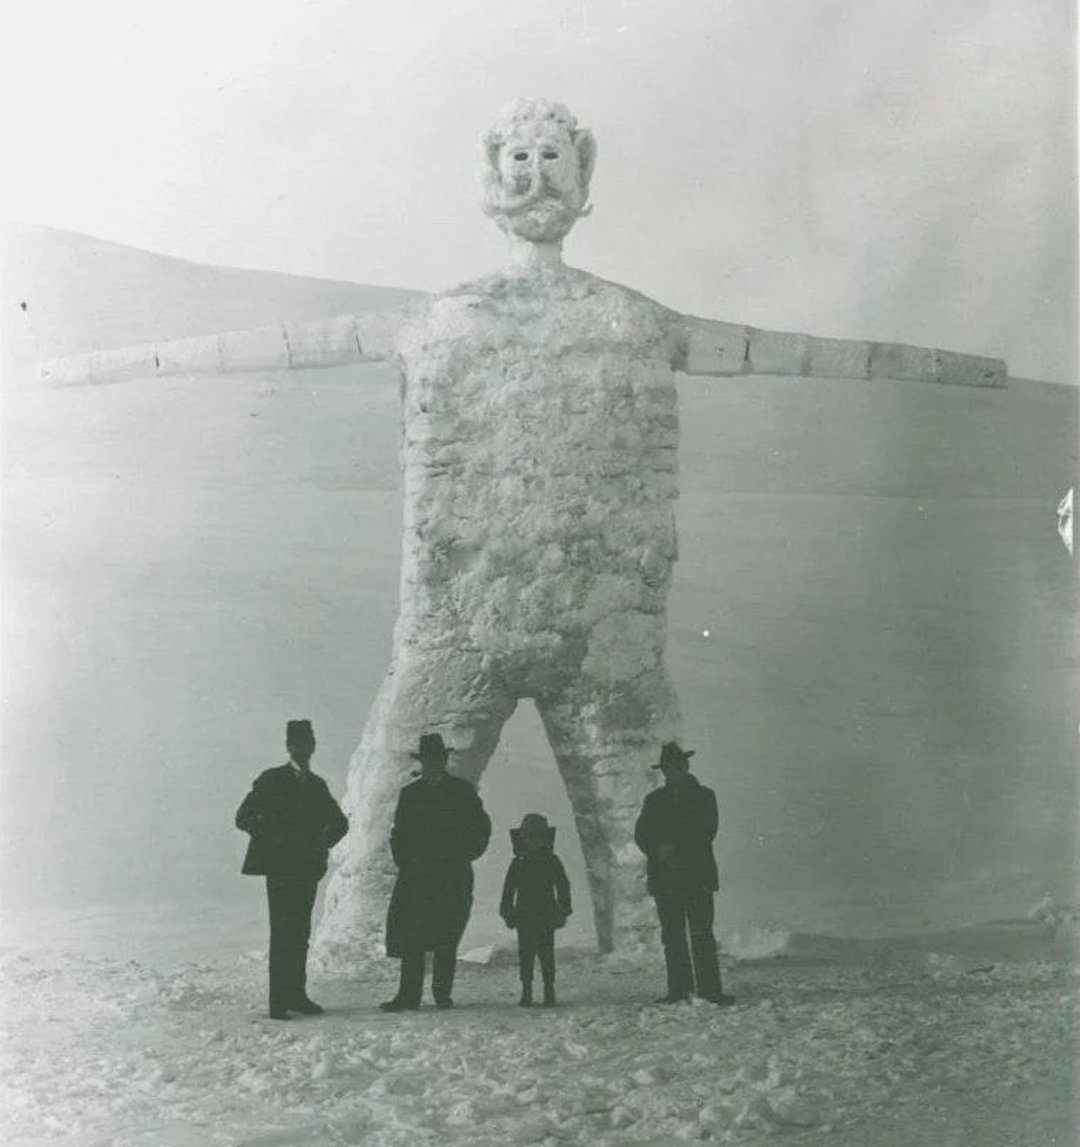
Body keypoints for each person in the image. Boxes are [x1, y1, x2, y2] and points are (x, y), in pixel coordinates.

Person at [235, 719, 349, 1020]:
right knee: (282, 932)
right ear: (289, 747)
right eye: (297, 745)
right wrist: (274, 838)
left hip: (306, 869)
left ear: (312, 748)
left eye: (307, 744)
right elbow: (244, 817)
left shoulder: (316, 785)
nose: (302, 750)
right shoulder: (271, 780)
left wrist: (321, 844)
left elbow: (340, 822)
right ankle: (278, 1002)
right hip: (281, 869)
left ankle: (297, 996)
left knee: (300, 933)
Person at [380, 733, 492, 1011]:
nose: (433, 764)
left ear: (444, 760)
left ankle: (442, 994)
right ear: (423, 761)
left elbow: (481, 828)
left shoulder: (463, 792)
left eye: (437, 759)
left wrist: (464, 855)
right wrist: (406, 862)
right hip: (417, 876)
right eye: (428, 759)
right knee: (412, 937)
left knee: (446, 933)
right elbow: (399, 834)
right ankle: (409, 996)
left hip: (451, 875)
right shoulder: (410, 793)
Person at [633, 741, 732, 1005]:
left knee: (701, 934)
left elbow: (706, 830)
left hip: (695, 876)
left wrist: (674, 849)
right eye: (668, 768)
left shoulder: (704, 796)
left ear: (685, 766)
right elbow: (642, 834)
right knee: (673, 936)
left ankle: (710, 990)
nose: (672, 772)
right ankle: (679, 990)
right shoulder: (653, 800)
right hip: (665, 879)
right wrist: (657, 851)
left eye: (677, 766)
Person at [499, 813, 573, 1008]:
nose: (533, 842)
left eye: (537, 837)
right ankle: (527, 989)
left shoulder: (552, 861)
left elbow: (563, 887)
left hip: (546, 914)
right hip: (524, 915)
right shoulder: (518, 863)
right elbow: (508, 890)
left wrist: (562, 910)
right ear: (524, 839)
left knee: (546, 953)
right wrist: (508, 912)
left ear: (544, 839)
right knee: (526, 954)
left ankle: (549, 990)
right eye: (530, 837)